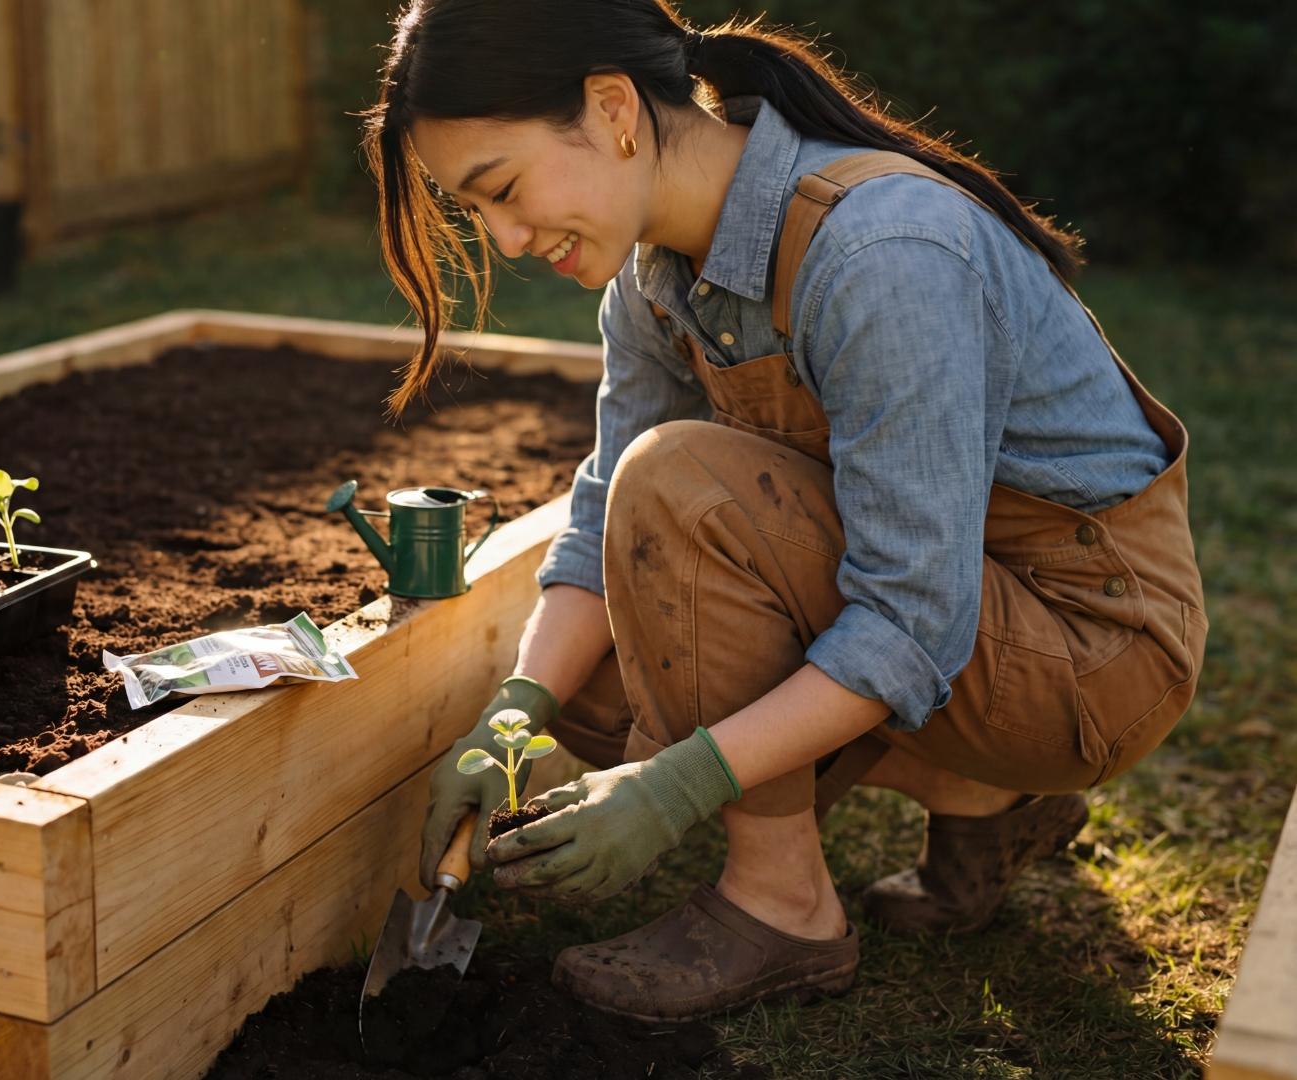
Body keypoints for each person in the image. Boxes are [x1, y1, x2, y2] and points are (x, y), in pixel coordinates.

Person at [362, 0, 1208, 1022]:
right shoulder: (653, 279)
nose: (502, 236)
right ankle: (981, 798)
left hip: (1091, 652)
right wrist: (511, 719)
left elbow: (909, 617)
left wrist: (675, 788)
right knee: (595, 689)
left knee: (679, 487)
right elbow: (596, 525)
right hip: (971, 626)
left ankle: (784, 909)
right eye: (471, 211)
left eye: (501, 187)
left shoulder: (884, 253)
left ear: (612, 107)